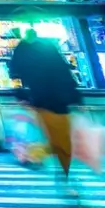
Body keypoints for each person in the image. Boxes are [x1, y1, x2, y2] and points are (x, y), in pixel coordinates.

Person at [9, 31, 81, 187]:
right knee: (61, 141)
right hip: (54, 101)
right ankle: (61, 173)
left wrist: (21, 95)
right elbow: (64, 72)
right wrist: (75, 97)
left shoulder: (22, 50)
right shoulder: (47, 48)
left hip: (43, 100)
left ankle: (35, 156)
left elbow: (15, 75)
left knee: (59, 140)